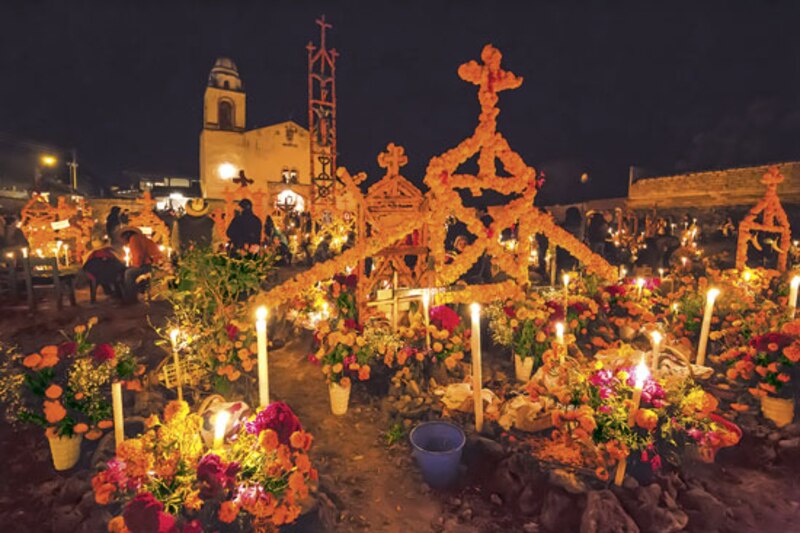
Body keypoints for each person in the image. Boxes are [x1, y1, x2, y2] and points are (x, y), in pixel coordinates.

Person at [119, 227, 164, 304]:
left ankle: (130, 299)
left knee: (128, 273)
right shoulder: (143, 238)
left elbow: (138, 255)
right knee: (130, 271)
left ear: (128, 234)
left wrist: (135, 265)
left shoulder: (134, 238)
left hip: (150, 266)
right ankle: (138, 292)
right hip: (155, 264)